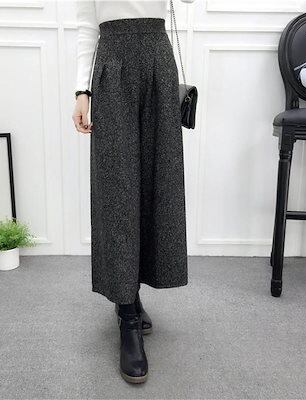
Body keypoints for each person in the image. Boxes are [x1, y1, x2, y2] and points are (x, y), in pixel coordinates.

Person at [72, 0, 195, 384]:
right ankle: (127, 316)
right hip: (111, 64)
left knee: (158, 180)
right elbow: (86, 25)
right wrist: (81, 90)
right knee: (117, 187)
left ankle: (132, 290)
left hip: (157, 60)